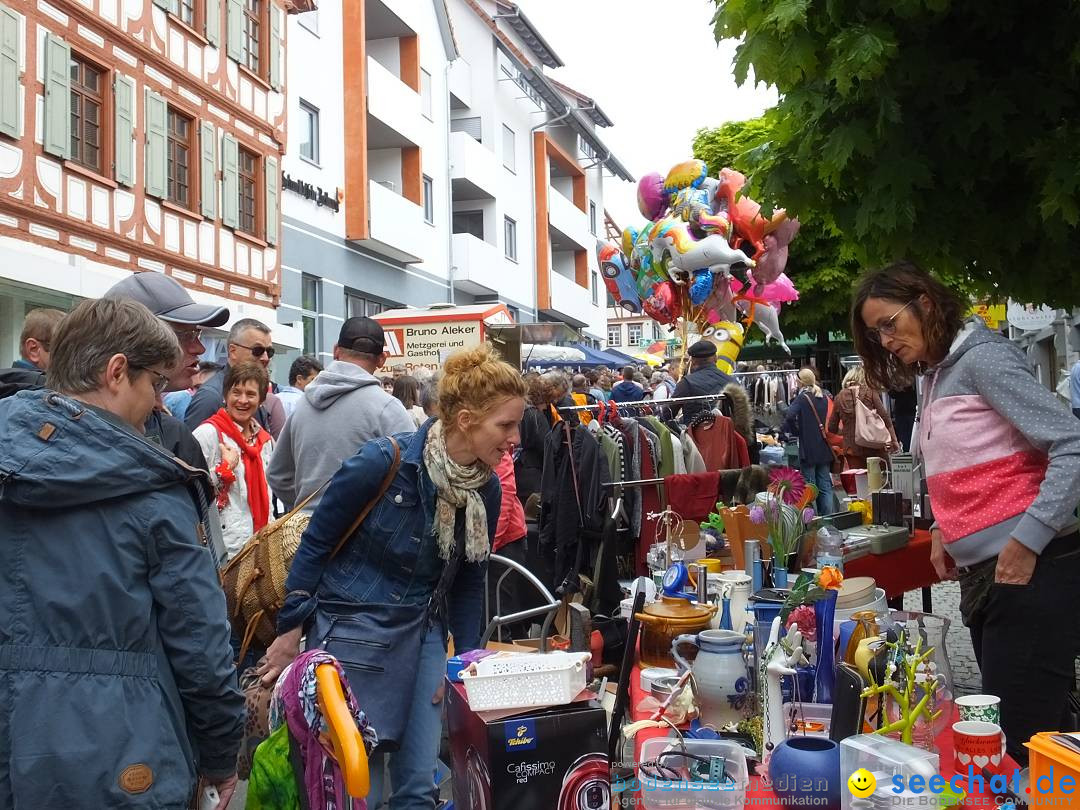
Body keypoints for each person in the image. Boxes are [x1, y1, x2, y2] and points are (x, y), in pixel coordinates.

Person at [259, 343, 527, 809]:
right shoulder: (384, 462)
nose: (516, 437)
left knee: (418, 784)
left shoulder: (485, 487)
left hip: (422, 634)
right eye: (506, 424)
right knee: (351, 781)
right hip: (350, 633)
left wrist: (462, 665)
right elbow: (316, 544)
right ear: (465, 419)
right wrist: (290, 631)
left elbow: (467, 582)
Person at [0, 298, 243, 807]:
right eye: (156, 382)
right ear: (116, 372)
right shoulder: (155, 487)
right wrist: (221, 750)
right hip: (121, 750)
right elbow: (200, 643)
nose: (160, 402)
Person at [852, 260, 1080, 765]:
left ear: (925, 304)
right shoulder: (935, 374)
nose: (885, 340)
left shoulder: (983, 360)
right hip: (995, 575)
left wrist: (1028, 539)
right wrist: (942, 527)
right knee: (1041, 737)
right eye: (875, 333)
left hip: (1032, 572)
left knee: (1016, 741)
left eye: (889, 323)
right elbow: (964, 460)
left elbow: (1071, 442)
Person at [267, 317, 415, 512]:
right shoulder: (387, 408)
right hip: (361, 535)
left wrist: (309, 506)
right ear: (381, 359)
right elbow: (413, 475)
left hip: (305, 533)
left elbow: (278, 475)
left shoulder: (303, 404)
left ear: (336, 350)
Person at [105, 272, 231, 472]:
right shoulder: (70, 435)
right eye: (184, 335)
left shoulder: (174, 434)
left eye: (197, 334)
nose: (199, 348)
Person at [192, 361, 275, 560]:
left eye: (251, 394)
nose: (242, 400)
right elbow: (191, 489)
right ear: (225, 395)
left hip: (260, 544)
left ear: (261, 400)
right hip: (224, 550)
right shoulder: (208, 434)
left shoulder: (265, 441)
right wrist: (224, 470)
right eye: (236, 392)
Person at [185, 317, 286, 438]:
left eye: (269, 352)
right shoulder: (211, 396)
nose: (265, 358)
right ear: (233, 351)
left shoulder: (257, 392)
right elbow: (193, 451)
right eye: (257, 350)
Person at [781, 368, 836, 515]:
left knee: (810, 487)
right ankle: (827, 519)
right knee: (825, 486)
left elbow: (790, 416)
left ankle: (811, 520)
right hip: (824, 447)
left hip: (808, 449)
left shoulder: (802, 398)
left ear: (800, 381)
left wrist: (795, 431)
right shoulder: (823, 396)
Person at [827, 366, 899, 469]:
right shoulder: (871, 392)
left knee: (858, 480)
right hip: (874, 445)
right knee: (879, 480)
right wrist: (894, 440)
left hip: (852, 449)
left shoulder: (839, 397)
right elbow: (885, 417)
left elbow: (831, 427)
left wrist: (846, 431)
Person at [0, 307, 64, 399]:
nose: (75, 360)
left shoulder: (8, 385)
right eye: (65, 349)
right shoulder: (47, 393)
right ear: (33, 349)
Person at [672, 340, 736, 421]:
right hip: (728, 432)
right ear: (716, 358)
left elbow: (668, 413)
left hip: (695, 431)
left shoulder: (686, 383)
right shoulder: (732, 381)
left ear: (693, 361)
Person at [277, 355, 322, 420]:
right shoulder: (307, 404)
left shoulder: (273, 400)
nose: (317, 384)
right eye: (314, 380)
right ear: (299, 379)